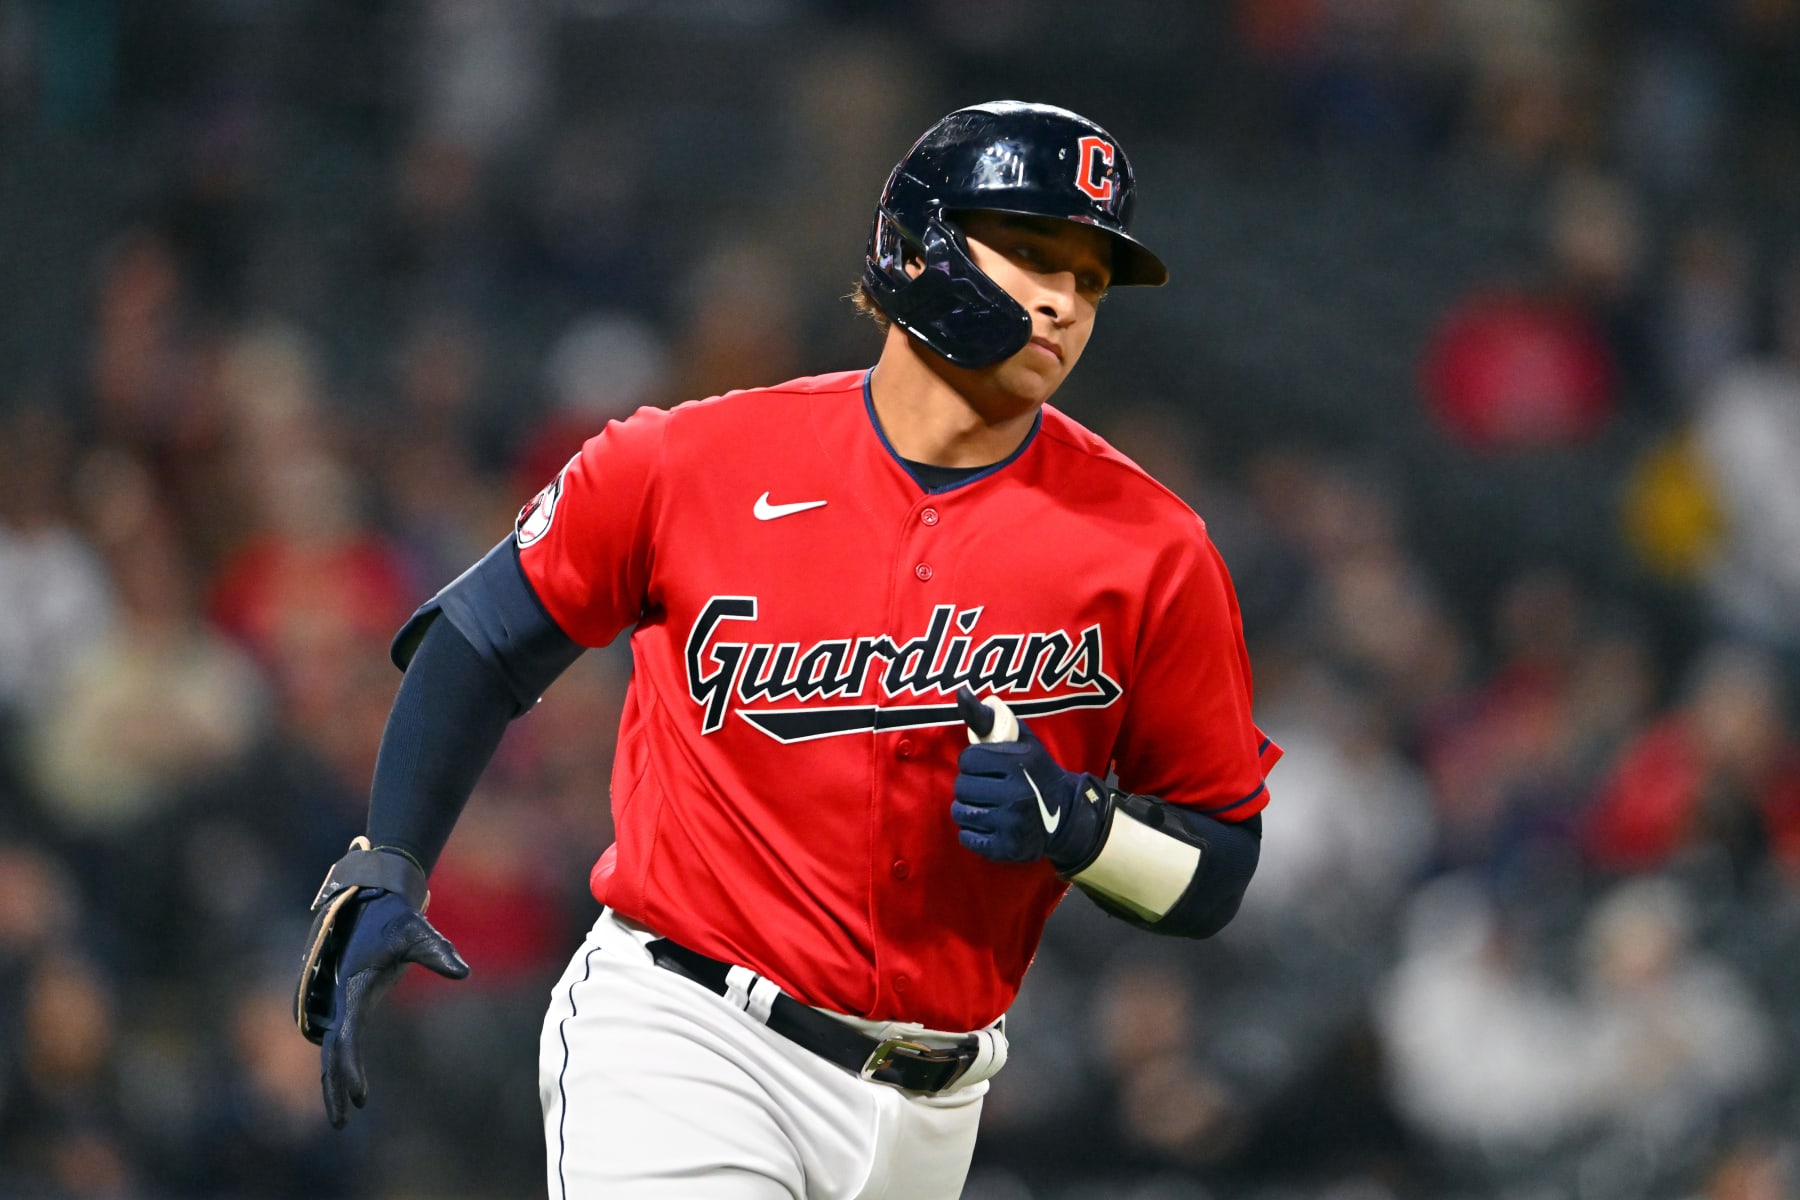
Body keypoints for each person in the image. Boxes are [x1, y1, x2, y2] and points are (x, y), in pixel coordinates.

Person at [294, 100, 1281, 1199]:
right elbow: (481, 638)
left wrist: (1086, 833)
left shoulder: (1152, 547)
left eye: (1091, 278)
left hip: (936, 1105)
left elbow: (1219, 865)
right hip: (685, 1035)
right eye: (1033, 252)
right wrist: (390, 858)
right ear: (919, 245)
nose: (1064, 299)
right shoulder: (690, 461)